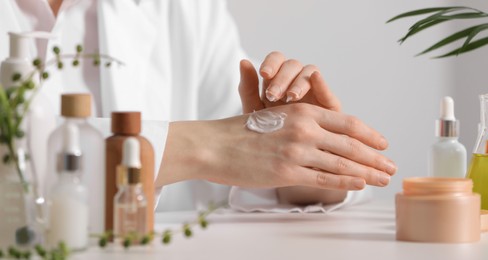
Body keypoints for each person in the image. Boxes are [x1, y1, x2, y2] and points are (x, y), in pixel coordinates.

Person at [0, 0, 396, 212]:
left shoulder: (182, 8)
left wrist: (300, 159)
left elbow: (242, 150)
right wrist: (203, 146)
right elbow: (223, 144)